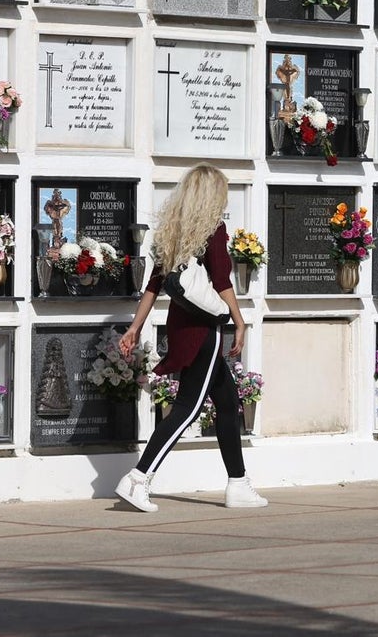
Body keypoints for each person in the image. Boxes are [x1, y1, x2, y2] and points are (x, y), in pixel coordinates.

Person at [114, 163, 265, 512]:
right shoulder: (213, 230)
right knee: (188, 406)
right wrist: (239, 323)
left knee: (227, 403)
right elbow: (223, 280)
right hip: (204, 330)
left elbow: (153, 284)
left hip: (181, 325)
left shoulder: (174, 232)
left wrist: (135, 327)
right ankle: (138, 478)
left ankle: (238, 484)